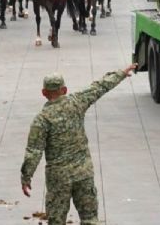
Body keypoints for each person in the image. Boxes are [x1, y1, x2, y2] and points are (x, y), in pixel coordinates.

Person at [20, 64, 137, 225]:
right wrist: (121, 73)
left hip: (58, 179)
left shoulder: (41, 119)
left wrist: (26, 177)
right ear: (64, 90)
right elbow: (100, 87)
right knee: (90, 219)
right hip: (83, 174)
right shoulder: (77, 102)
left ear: (44, 93)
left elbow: (34, 151)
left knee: (56, 220)